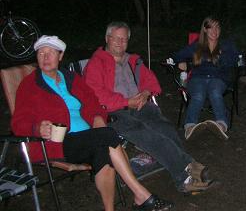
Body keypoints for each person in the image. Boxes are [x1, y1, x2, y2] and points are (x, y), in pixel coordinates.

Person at [11, 35, 172, 211]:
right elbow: (18, 123)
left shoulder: (71, 78)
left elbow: (94, 102)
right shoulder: (29, 85)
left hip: (89, 138)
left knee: (103, 151)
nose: (46, 57)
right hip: (56, 143)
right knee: (107, 135)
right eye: (41, 53)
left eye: (51, 52)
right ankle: (141, 195)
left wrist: (97, 117)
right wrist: (37, 128)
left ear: (61, 56)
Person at [83, 22, 213, 194]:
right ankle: (186, 172)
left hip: (139, 105)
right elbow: (96, 95)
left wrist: (145, 93)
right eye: (116, 38)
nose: (120, 42)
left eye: (124, 39)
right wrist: (126, 102)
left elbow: (151, 81)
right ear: (107, 39)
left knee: (163, 125)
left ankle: (179, 167)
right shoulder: (96, 63)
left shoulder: (133, 60)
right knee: (143, 131)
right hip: (113, 112)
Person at [173, 16, 238, 140]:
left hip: (218, 78)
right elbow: (177, 55)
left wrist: (221, 58)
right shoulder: (197, 45)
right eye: (211, 27)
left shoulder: (226, 45)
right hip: (198, 78)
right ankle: (190, 126)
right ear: (205, 29)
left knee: (214, 91)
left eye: (217, 27)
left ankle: (221, 125)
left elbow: (235, 59)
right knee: (198, 94)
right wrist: (181, 61)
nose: (214, 31)